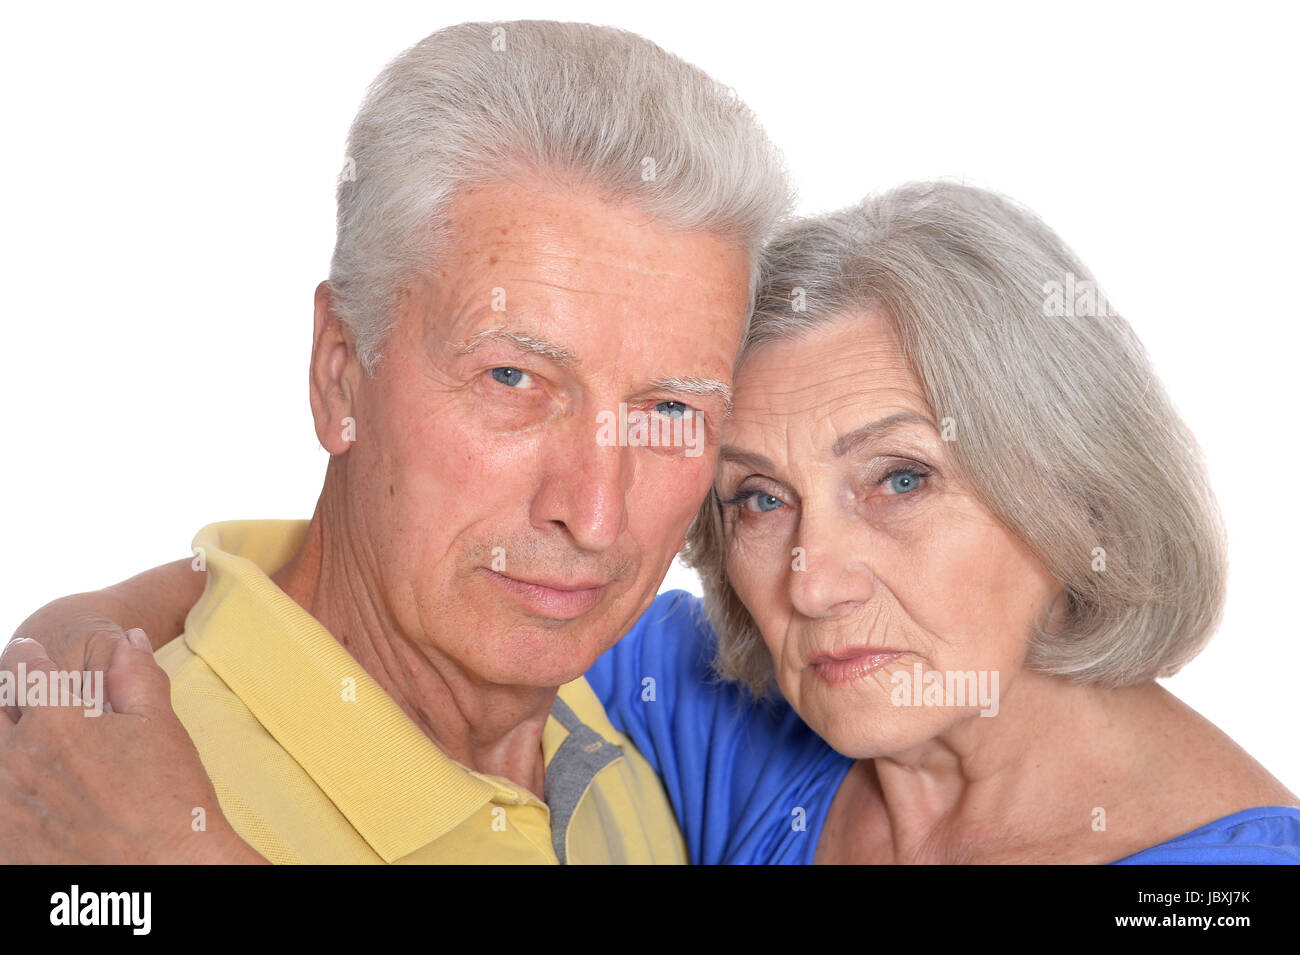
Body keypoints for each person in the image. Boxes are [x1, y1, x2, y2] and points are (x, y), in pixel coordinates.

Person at [9, 181, 1298, 864]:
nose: (813, 578)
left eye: (900, 478)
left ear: (1074, 491)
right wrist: (69, 646)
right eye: (756, 496)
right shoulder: (730, 709)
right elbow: (385, 583)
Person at [0, 19, 793, 864]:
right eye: (512, 380)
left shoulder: (637, 747)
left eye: (668, 411)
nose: (595, 515)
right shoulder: (69, 808)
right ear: (339, 372)